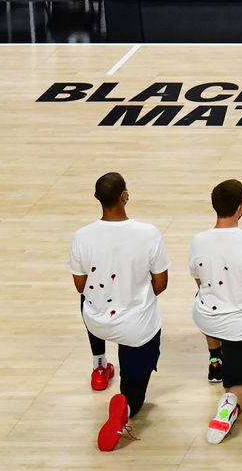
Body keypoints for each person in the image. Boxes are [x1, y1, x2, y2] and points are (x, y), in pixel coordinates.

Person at [71, 172, 168, 452]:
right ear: (125, 196)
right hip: (136, 328)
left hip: (97, 322)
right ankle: (126, 405)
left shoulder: (81, 236)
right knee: (134, 390)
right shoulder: (148, 233)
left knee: (88, 299)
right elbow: (160, 285)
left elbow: (81, 286)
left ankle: (99, 365)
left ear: (96, 198)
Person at [190, 179, 242, 445]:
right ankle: (229, 404)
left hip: (206, 317)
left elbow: (200, 283)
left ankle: (216, 359)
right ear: (241, 208)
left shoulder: (198, 241)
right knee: (240, 386)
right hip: (241, 328)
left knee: (205, 298)